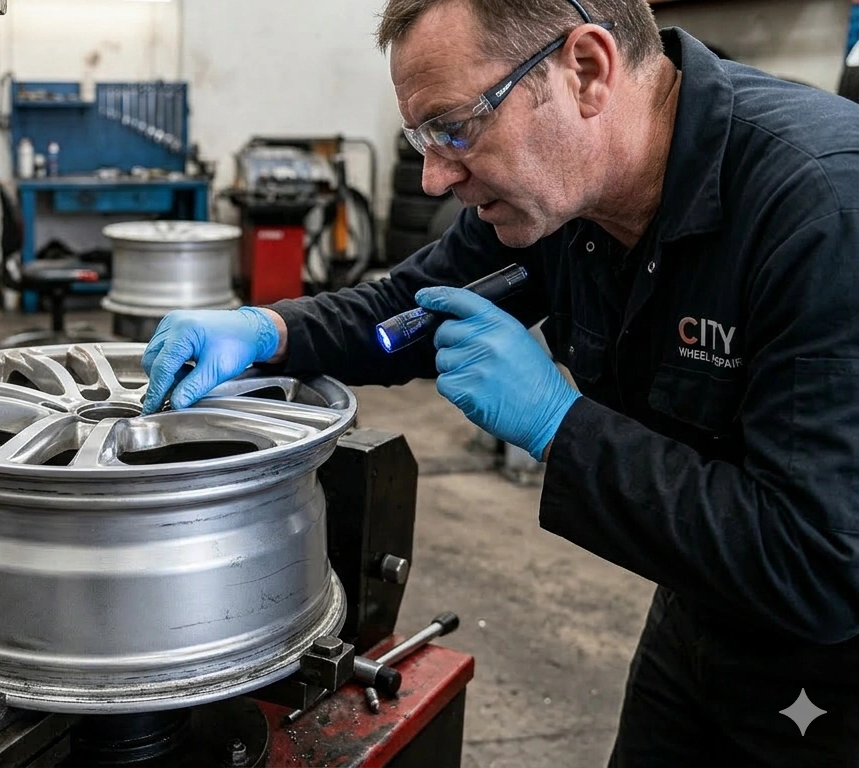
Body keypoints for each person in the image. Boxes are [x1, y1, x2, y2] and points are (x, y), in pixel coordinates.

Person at [140, 0, 859, 763]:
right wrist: (269, 331)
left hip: (833, 675)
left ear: (587, 71)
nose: (434, 176)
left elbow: (819, 563)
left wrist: (561, 425)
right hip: (699, 612)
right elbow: (410, 310)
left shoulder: (823, 209)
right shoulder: (566, 190)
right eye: (421, 139)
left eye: (454, 128)